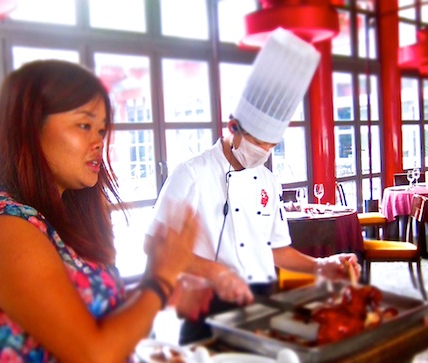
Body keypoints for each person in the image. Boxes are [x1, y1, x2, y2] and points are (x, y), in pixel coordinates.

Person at [0, 59, 200, 362]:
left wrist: (155, 283)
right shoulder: (9, 227)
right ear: (30, 128)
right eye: (84, 125)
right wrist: (162, 278)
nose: (98, 141)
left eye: (101, 129)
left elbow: (98, 318)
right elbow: (93, 355)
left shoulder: (60, 212)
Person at [146, 28, 362, 345]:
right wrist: (217, 272)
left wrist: (320, 265)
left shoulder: (268, 180)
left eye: (272, 145)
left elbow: (275, 249)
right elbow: (153, 245)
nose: (263, 151)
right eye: (258, 141)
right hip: (207, 306)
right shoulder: (191, 174)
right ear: (233, 127)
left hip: (263, 301)